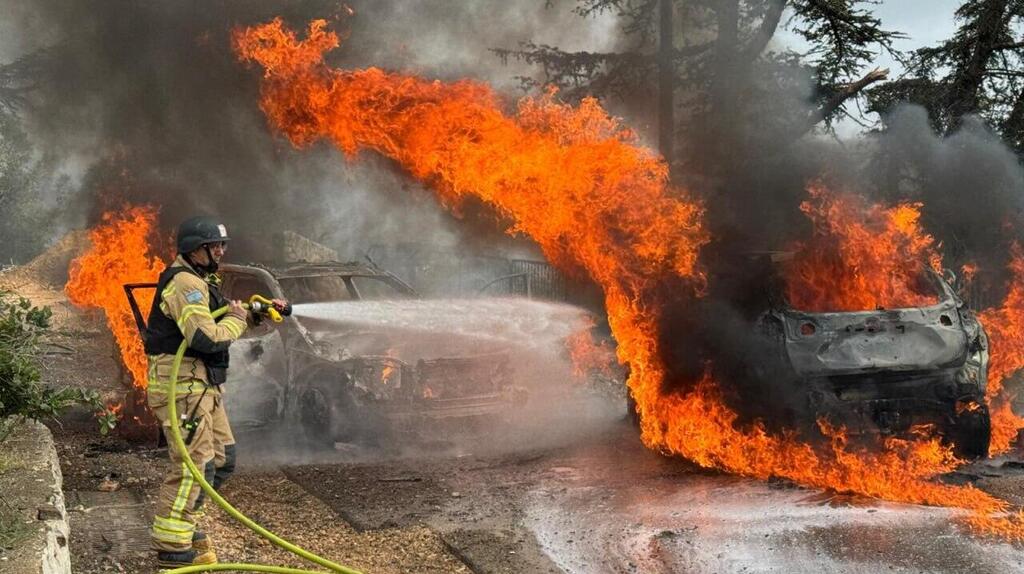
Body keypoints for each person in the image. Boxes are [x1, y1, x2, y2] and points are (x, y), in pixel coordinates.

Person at [143, 215, 255, 568]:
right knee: (194, 467)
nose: (221, 251)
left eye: (223, 244)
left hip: (202, 386)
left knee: (222, 460)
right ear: (196, 249)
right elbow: (204, 337)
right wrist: (236, 319)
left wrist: (249, 314)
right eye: (215, 245)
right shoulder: (185, 284)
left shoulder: (202, 280)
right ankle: (173, 547)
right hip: (182, 389)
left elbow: (215, 322)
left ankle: (184, 523)